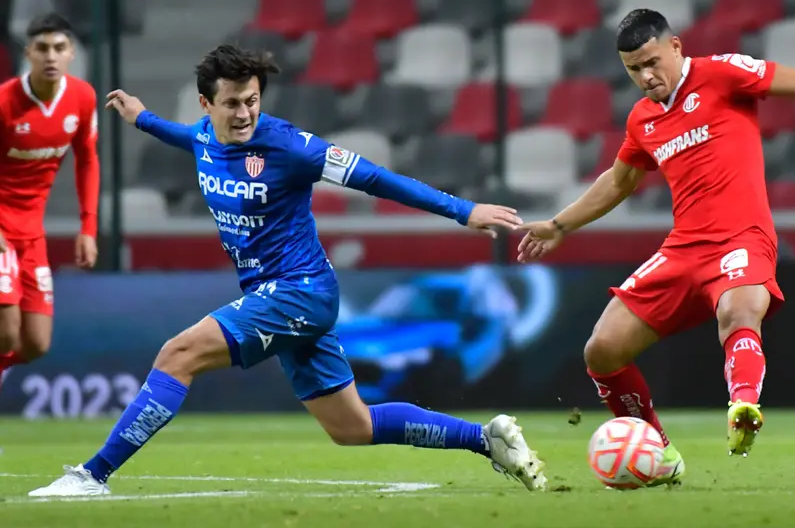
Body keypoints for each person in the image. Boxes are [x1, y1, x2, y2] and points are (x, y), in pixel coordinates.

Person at [28, 44, 547, 497]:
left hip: (301, 291)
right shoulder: (205, 137)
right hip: (278, 296)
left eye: (252, 100)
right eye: (231, 103)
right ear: (206, 105)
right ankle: (487, 439)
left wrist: (463, 210)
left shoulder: (291, 147)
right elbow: (187, 137)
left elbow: (376, 178)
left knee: (178, 354)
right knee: (351, 426)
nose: (244, 113)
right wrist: (143, 118)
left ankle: (90, 476)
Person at [517, 9, 795, 481]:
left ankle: (743, 405)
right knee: (601, 351)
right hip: (682, 250)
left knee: (739, 312)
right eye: (634, 69)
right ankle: (657, 452)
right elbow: (619, 181)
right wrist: (560, 224)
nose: (646, 76)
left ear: (676, 47)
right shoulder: (643, 119)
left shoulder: (723, 74)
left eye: (652, 61)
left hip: (743, 238)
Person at [0, 13, 100, 388]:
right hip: (0, 232)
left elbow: (88, 160)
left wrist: (88, 228)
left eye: (59, 48)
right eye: (42, 48)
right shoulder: (5, 102)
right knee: (6, 335)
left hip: (32, 235)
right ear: (28, 53)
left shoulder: (81, 98)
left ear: (72, 53)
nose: (50, 56)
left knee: (37, 343)